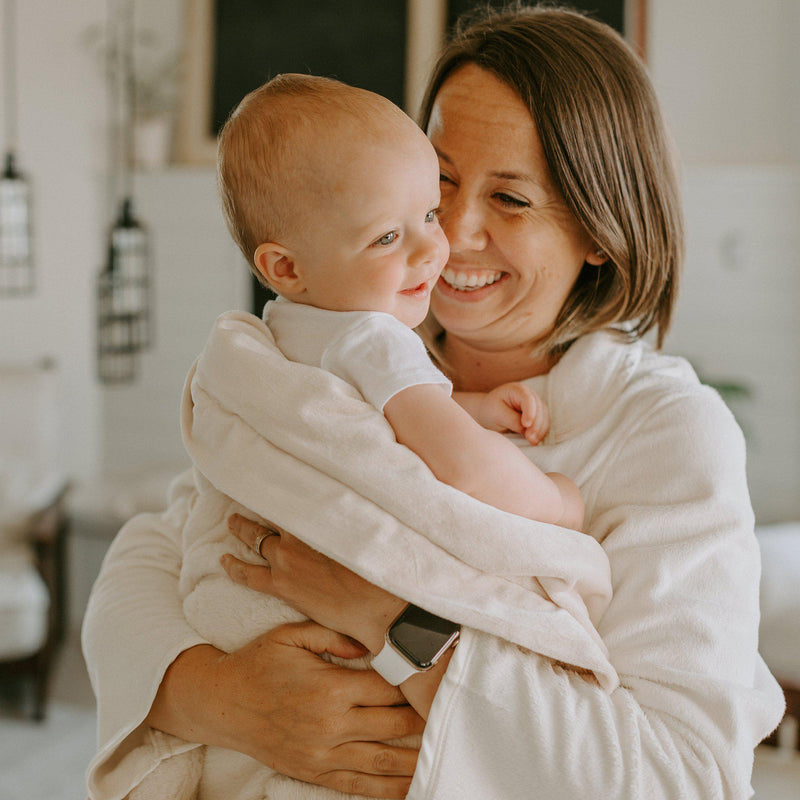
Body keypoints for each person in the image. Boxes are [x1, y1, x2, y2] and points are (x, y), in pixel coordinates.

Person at [82, 6, 785, 800]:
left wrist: (390, 619)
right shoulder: (330, 370)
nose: (449, 231)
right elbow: (148, 561)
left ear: (598, 226)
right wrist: (224, 699)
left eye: (511, 200)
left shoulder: (664, 432)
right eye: (439, 182)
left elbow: (680, 778)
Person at [120, 72, 599, 800]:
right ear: (284, 265)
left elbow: (357, 420)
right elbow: (453, 464)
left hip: (241, 616)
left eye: (427, 215)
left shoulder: (277, 335)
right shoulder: (379, 337)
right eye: (388, 236)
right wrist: (556, 505)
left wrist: (467, 402)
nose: (433, 250)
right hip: (336, 649)